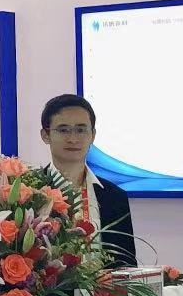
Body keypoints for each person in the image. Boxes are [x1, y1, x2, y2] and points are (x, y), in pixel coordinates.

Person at [38, 94, 137, 268]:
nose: (73, 139)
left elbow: (126, 264)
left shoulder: (114, 196)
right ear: (46, 135)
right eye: (63, 130)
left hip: (104, 286)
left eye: (81, 130)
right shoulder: (30, 191)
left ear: (93, 135)